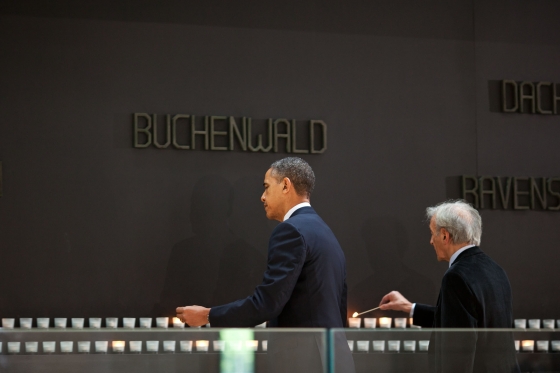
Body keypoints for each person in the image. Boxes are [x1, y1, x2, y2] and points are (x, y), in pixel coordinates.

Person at [176, 157, 354, 372]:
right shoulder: (325, 232)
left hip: (304, 362)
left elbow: (268, 303)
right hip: (335, 358)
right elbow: (339, 306)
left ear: (286, 185)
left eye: (267, 188)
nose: (262, 197)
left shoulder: (290, 231)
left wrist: (207, 315)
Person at [379, 200, 519, 373]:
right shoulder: (496, 269)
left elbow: (458, 351)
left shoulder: (456, 276)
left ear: (445, 235)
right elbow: (463, 320)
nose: (431, 241)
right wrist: (410, 308)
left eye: (432, 233)